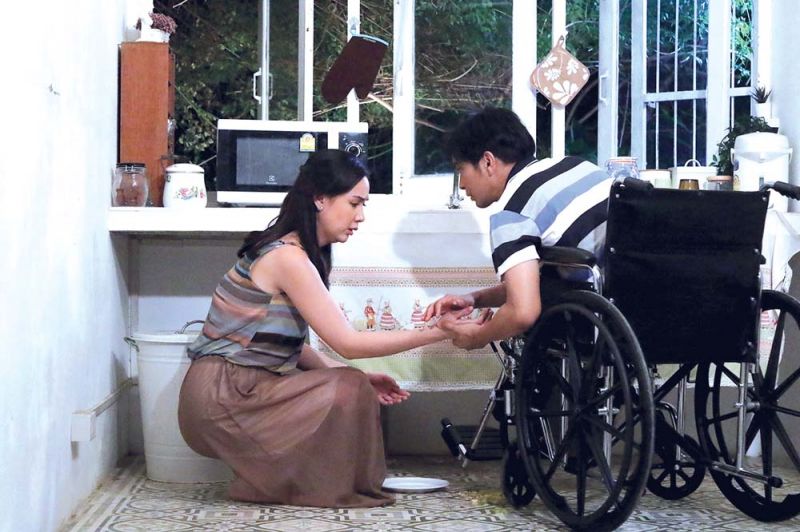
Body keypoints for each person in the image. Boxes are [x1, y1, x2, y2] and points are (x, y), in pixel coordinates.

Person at [178, 149, 470, 508]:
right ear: (320, 198)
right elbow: (348, 343)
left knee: (353, 383)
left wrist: (359, 376)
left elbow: (290, 346)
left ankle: (270, 485)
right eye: (354, 203)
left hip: (228, 390)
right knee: (349, 386)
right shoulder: (287, 257)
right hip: (223, 395)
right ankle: (292, 485)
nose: (360, 216)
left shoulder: (293, 251)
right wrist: (441, 331)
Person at [424, 107, 613, 349]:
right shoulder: (578, 167)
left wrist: (477, 337)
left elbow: (522, 312)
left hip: (597, 320)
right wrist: (474, 298)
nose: (461, 185)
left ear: (488, 162)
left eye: (461, 170)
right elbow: (532, 285)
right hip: (643, 306)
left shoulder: (513, 214)